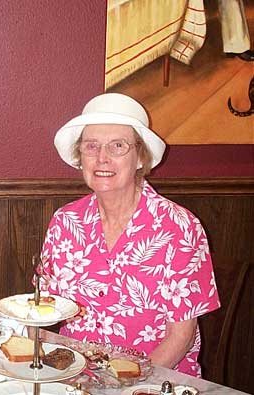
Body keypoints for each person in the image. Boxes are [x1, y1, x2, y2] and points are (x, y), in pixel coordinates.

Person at [38, 93, 220, 377]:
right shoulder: (65, 221)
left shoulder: (179, 227)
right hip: (76, 377)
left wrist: (122, 382)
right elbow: (45, 308)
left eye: (118, 146)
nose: (102, 158)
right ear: (80, 157)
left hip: (154, 379)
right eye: (91, 146)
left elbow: (180, 337)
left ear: (140, 157)